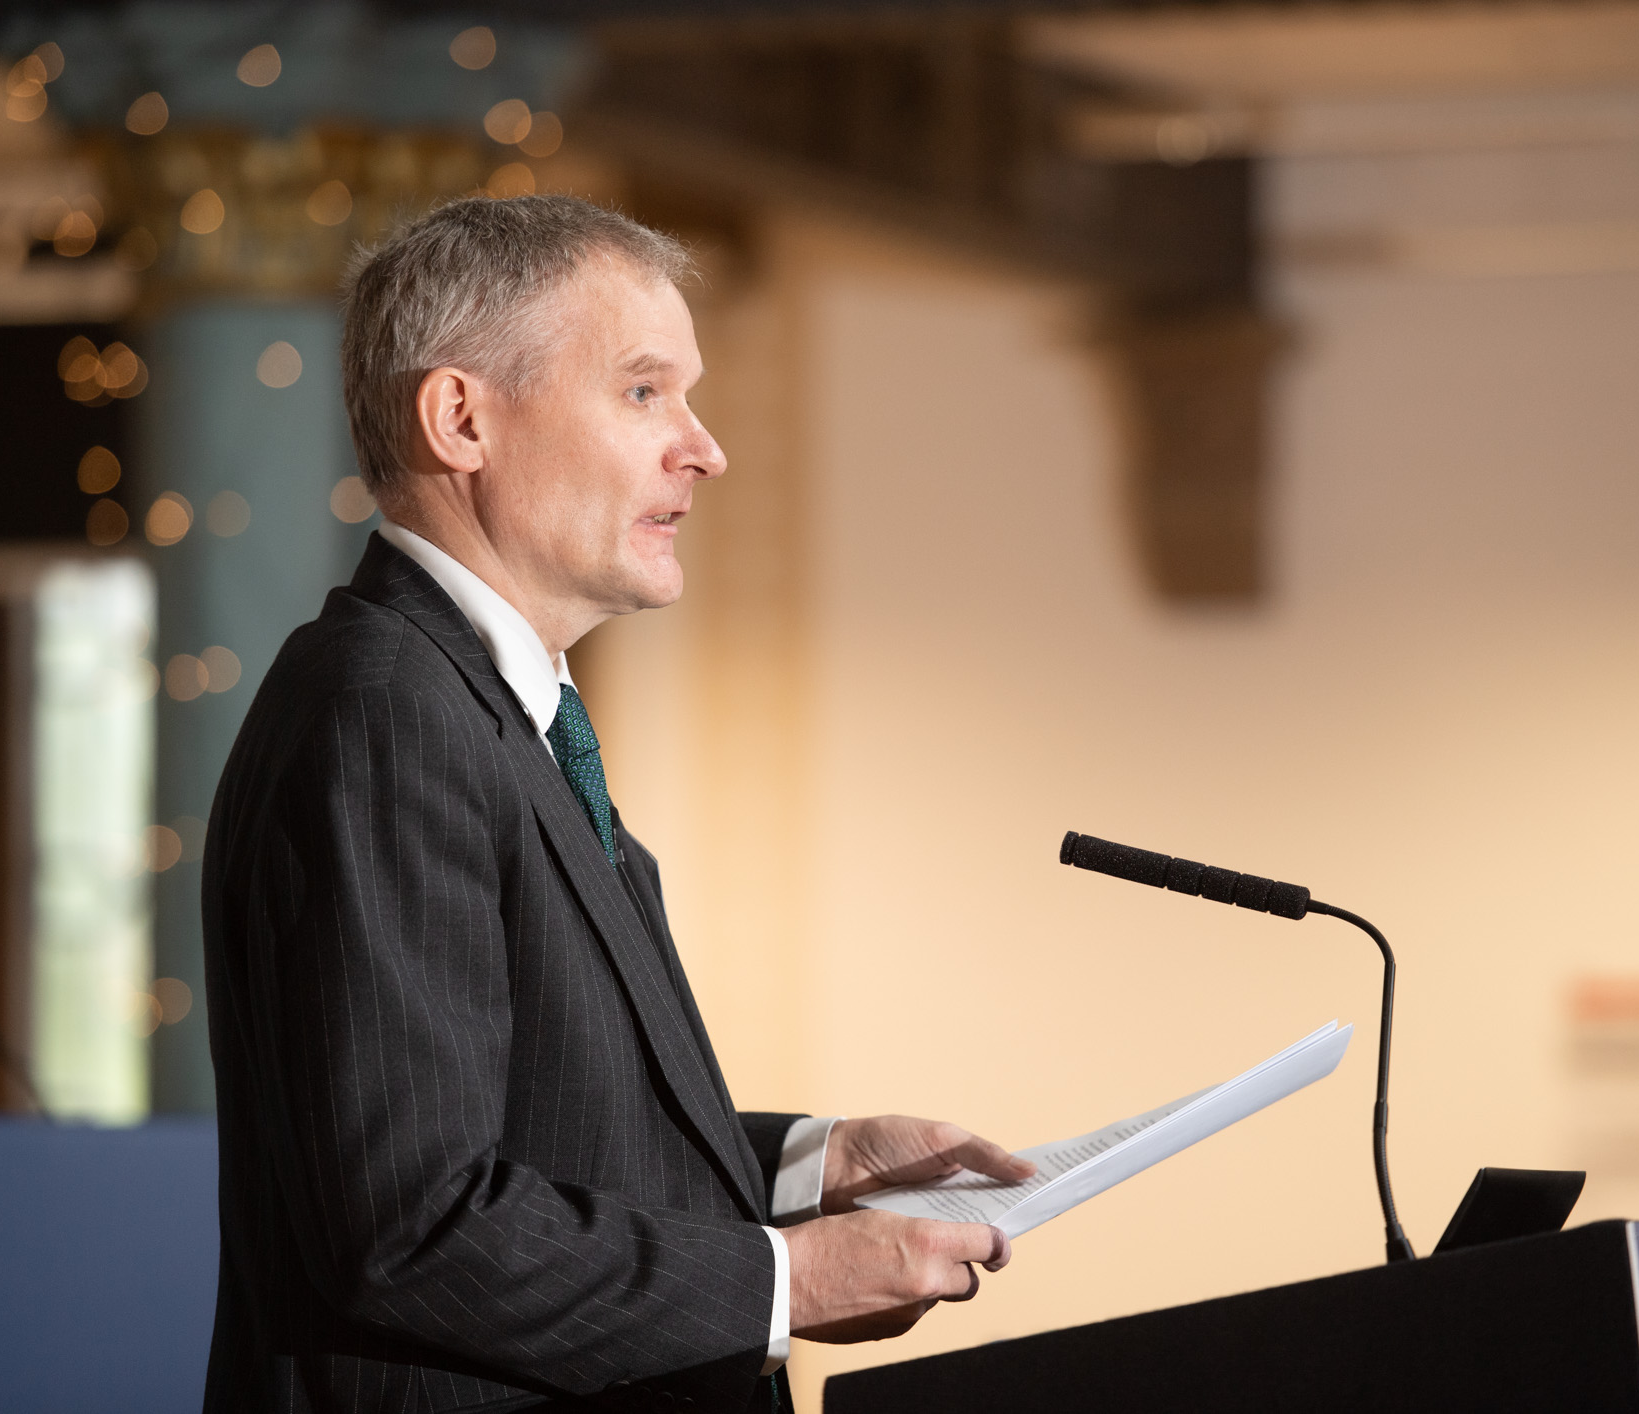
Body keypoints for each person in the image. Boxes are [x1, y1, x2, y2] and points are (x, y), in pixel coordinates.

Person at [200, 194, 1034, 1414]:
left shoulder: (491, 711)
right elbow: (413, 1219)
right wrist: (780, 1282)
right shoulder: (387, 713)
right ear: (461, 418)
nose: (703, 448)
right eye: (644, 393)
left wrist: (814, 1164)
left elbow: (545, 1126)